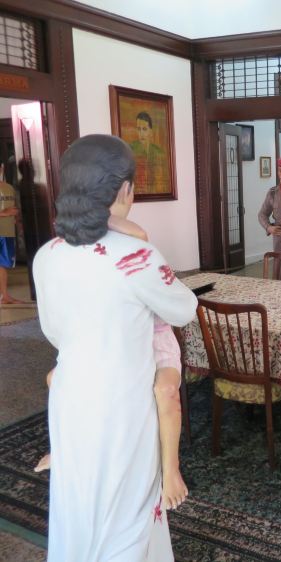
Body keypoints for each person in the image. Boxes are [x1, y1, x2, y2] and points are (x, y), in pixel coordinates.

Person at [33, 134, 197, 561]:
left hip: (71, 396)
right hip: (122, 404)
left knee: (78, 504)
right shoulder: (135, 256)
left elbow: (54, 331)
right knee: (128, 515)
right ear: (125, 189)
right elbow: (183, 309)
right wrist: (140, 237)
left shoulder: (46, 255)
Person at [34, 212, 190, 515]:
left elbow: (141, 238)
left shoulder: (139, 254)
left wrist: (107, 219)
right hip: (119, 337)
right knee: (57, 379)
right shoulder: (75, 259)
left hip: (156, 339)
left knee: (166, 390)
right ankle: (62, 448)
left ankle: (171, 468)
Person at [130, 111, 167, 194]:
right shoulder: (130, 150)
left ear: (150, 131)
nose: (141, 133)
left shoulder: (159, 152)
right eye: (138, 129)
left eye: (144, 129)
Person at [0, 162, 21, 304]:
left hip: (7, 232)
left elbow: (14, 208)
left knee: (3, 265)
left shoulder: (9, 188)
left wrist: (16, 218)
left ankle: (5, 295)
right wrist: (5, 213)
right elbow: (7, 211)